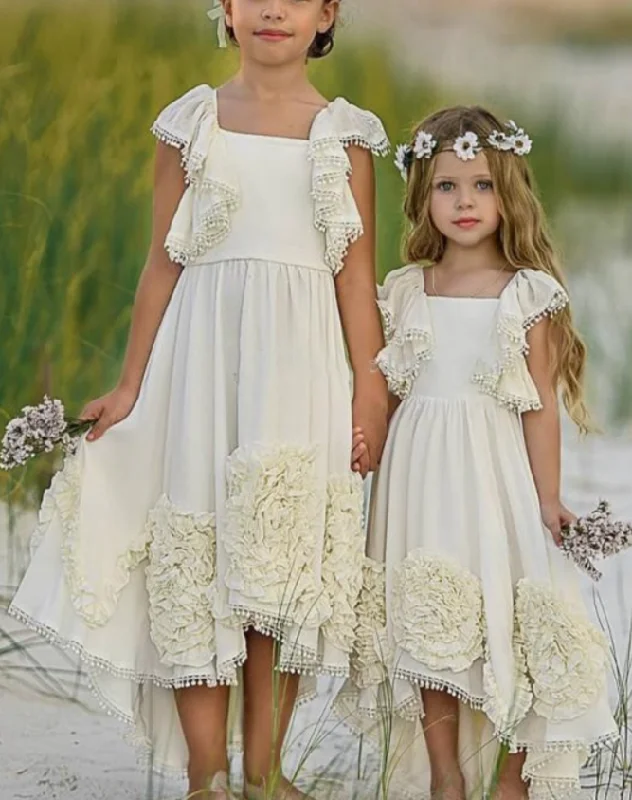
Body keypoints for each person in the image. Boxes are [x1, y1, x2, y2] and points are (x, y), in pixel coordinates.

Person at [9, 1, 390, 797]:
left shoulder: (345, 135)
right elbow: (161, 261)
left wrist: (370, 387)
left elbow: (356, 278)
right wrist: (128, 384)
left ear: (327, 15)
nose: (273, 10)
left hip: (302, 363)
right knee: (199, 557)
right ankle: (207, 775)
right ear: (225, 9)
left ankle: (267, 770)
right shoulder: (192, 122)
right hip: (201, 358)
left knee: (275, 560)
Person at [338, 106, 617, 800]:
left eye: (482, 186)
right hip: (419, 479)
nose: (465, 203)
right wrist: (364, 441)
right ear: (421, 197)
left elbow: (541, 404)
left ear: (510, 193)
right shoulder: (406, 292)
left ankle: (513, 778)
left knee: (514, 618)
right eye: (447, 187)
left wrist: (546, 497)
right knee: (430, 622)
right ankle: (444, 778)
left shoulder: (527, 295)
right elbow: (387, 390)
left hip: (496, 479)